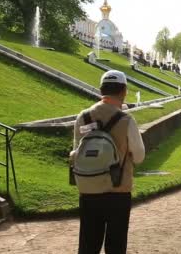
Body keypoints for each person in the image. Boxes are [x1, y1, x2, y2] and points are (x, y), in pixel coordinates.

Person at [73, 70, 146, 254]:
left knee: (88, 245)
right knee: (116, 245)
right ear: (124, 92)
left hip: (89, 190)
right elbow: (139, 157)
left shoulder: (83, 117)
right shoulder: (126, 120)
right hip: (118, 191)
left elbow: (77, 152)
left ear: (100, 90)